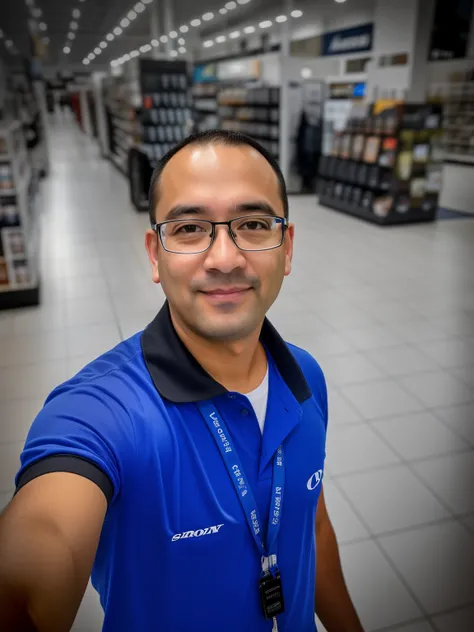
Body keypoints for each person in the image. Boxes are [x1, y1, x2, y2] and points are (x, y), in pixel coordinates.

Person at [0, 130, 364, 632]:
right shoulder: (101, 414)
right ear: (155, 253)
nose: (224, 258)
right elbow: (42, 543)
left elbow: (312, 526)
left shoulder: (305, 376)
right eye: (190, 228)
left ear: (287, 248)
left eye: (254, 224)